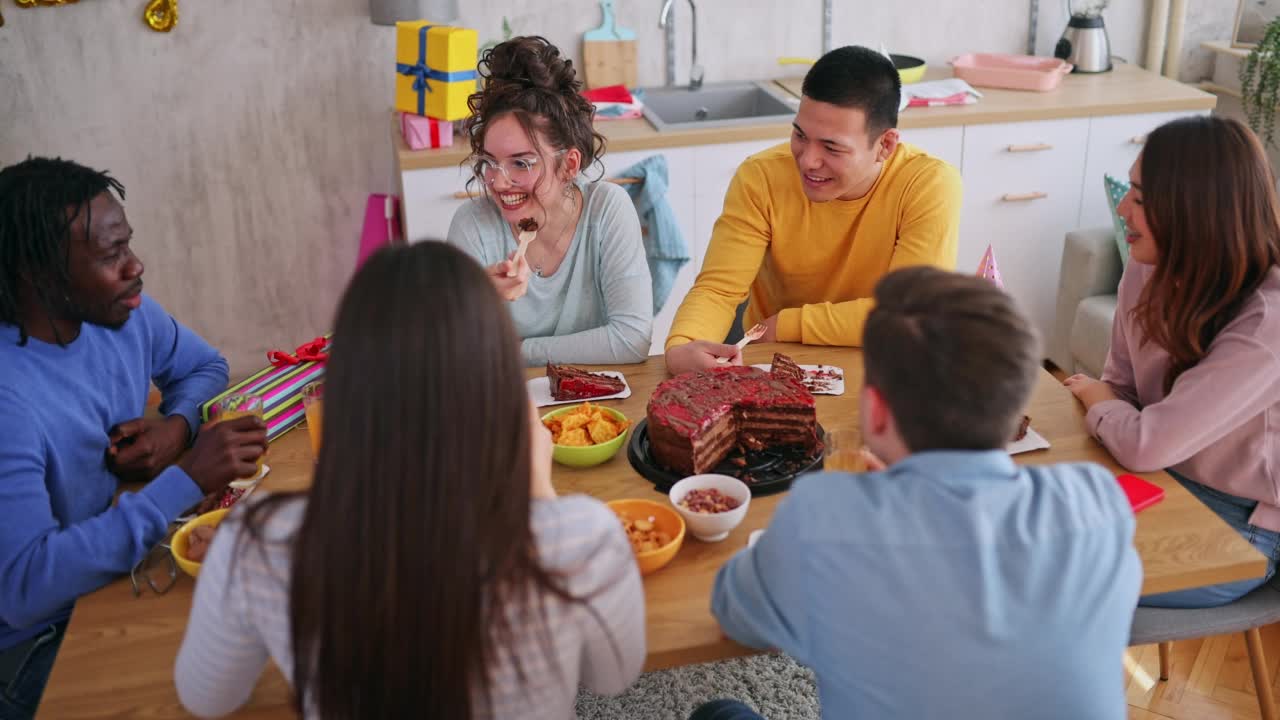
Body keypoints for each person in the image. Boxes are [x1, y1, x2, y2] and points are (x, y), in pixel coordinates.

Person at [175, 241, 645, 718]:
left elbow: (208, 698)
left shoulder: (254, 542)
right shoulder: (582, 537)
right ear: (499, 384)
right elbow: (615, 676)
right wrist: (541, 498)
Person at [704, 266, 1141, 719]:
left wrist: (845, 510)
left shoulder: (821, 517)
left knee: (719, 714)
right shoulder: (1098, 502)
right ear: (1015, 407)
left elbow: (734, 613)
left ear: (875, 412)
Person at [0, 157, 266, 720]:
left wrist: (178, 427)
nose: (135, 266)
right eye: (109, 255)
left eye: (128, 244)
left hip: (117, 571)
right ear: (39, 276)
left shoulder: (120, 315)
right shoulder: (9, 398)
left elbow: (205, 368)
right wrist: (183, 481)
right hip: (38, 640)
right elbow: (25, 585)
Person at [1065, 115, 1280, 608]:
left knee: (1042, 578)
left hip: (1241, 523)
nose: (1122, 209)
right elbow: (1121, 387)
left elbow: (1145, 440)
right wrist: (1111, 408)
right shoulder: (1147, 273)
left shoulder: (1267, 322)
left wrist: (1105, 406)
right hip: (1157, 480)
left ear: (1194, 211)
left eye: (1140, 199)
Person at [664, 46, 963, 375]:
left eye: (832, 147)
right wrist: (682, 345)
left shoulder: (928, 184)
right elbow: (719, 289)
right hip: (771, 356)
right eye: (800, 135)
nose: (807, 160)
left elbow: (909, 314)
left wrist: (789, 323)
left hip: (880, 359)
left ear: (885, 146)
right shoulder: (760, 176)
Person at [447, 36, 653, 366]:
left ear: (569, 165)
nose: (499, 182)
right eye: (490, 162)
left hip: (600, 405)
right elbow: (455, 356)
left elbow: (632, 338)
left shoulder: (607, 210)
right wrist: (476, 300)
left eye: (521, 163)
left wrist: (516, 351)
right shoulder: (473, 225)